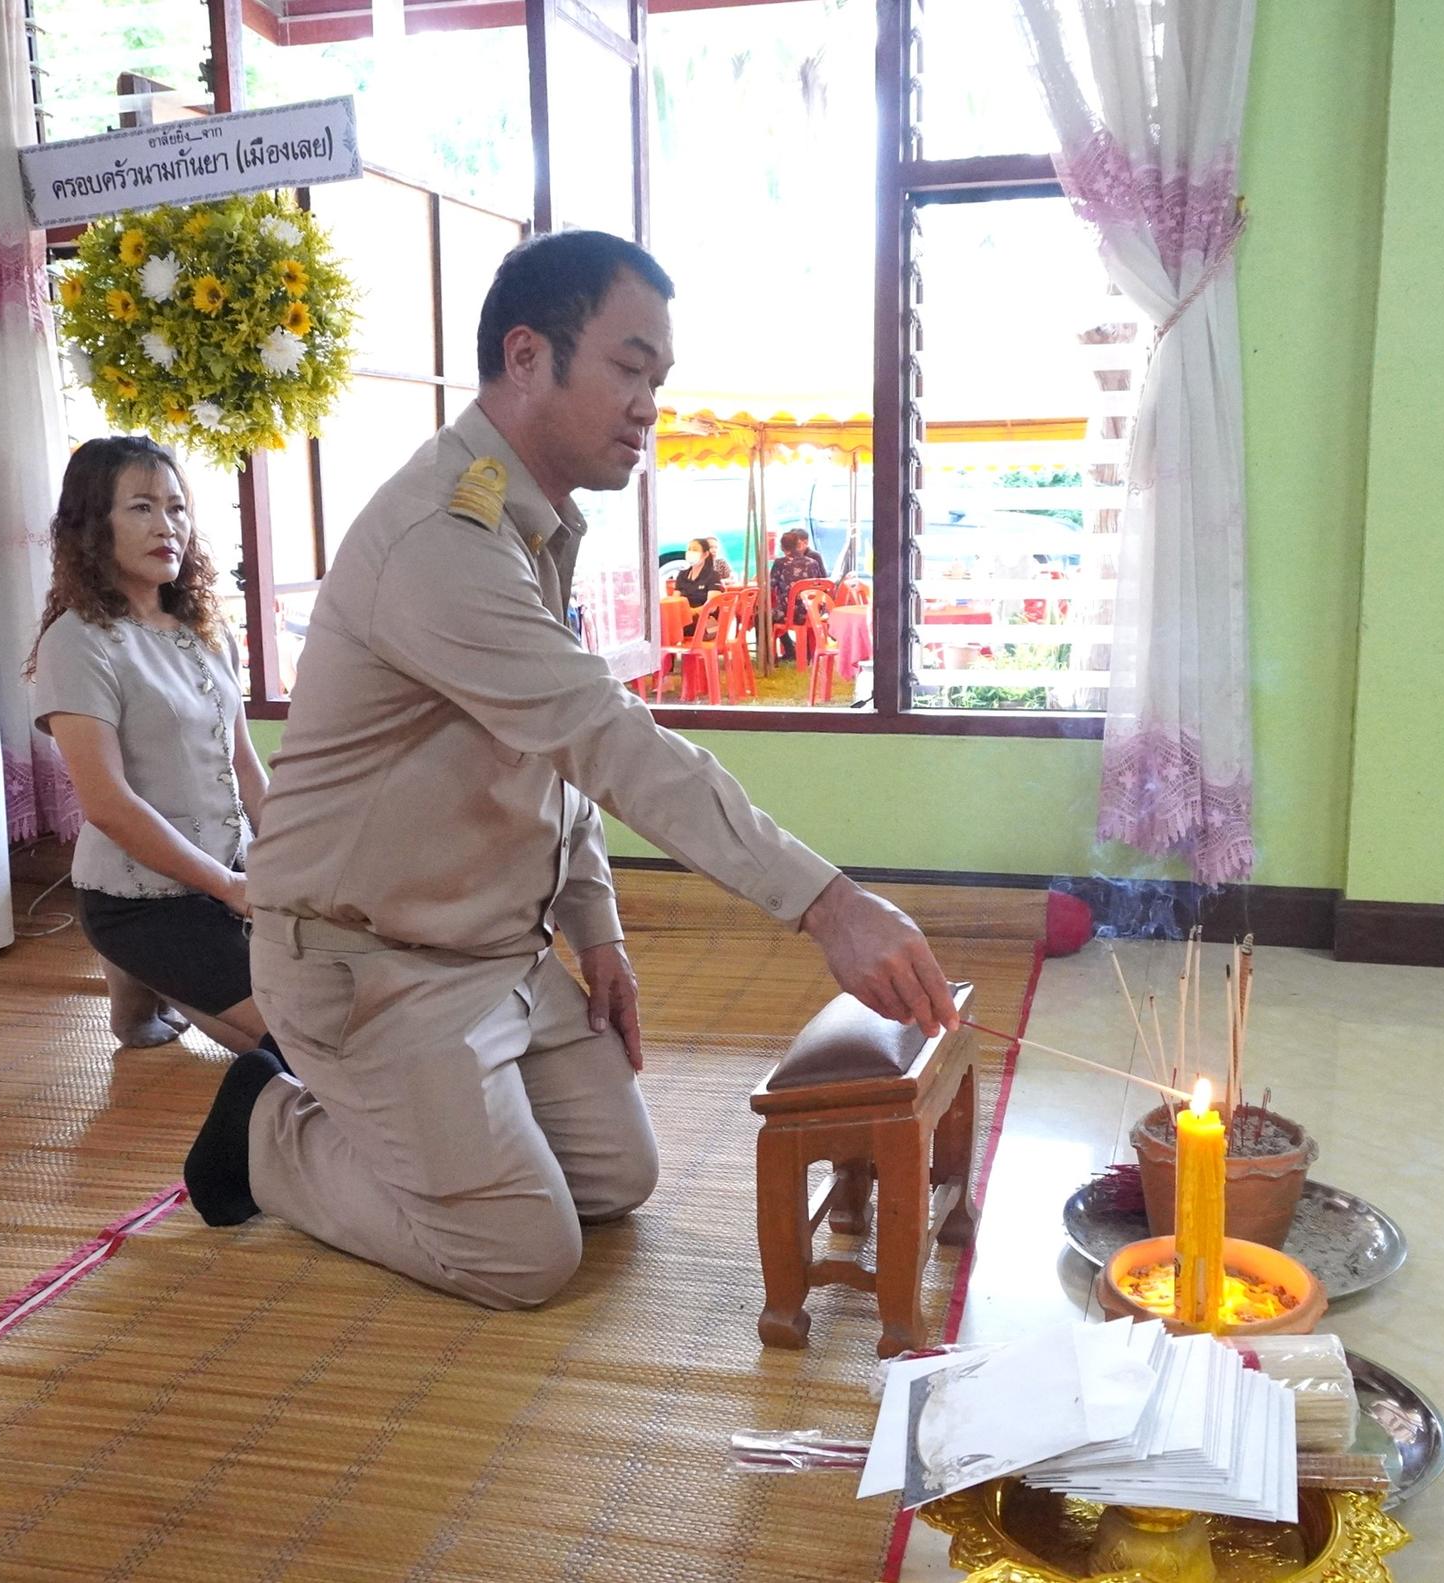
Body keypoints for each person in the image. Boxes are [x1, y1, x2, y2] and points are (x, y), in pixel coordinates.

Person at [181, 230, 956, 1309]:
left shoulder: (530, 521)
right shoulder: (439, 539)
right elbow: (606, 736)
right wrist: (825, 902)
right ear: (529, 353)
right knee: (522, 1253)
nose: (650, 404)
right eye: (630, 368)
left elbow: (553, 755)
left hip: (494, 950)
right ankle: (266, 1130)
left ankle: (431, 1121)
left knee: (616, 1178)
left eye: (659, 379)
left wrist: (599, 930)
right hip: (369, 963)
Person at [26, 435, 273, 1059]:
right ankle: (132, 962)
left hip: (232, 879)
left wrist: (293, 862)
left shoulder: (206, 632)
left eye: (177, 507)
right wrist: (226, 888)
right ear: (91, 524)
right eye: (141, 507)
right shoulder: (77, 643)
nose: (167, 526)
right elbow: (107, 803)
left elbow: (245, 767)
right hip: (141, 901)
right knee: (307, 1048)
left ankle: (139, 985)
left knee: (354, 1005)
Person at [770, 528, 829, 660]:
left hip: (789, 613)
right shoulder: (812, 563)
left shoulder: (780, 563)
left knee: (762, 617)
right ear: (798, 544)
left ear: (782, 547)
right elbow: (822, 584)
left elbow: (770, 586)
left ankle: (783, 652)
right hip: (812, 612)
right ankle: (797, 650)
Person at [670, 536, 728, 635]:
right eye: (689, 549)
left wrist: (691, 612)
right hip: (685, 620)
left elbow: (712, 606)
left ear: (705, 554)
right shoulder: (682, 575)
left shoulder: (713, 575)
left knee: (673, 630)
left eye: (695, 549)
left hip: (706, 624)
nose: (691, 552)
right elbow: (675, 601)